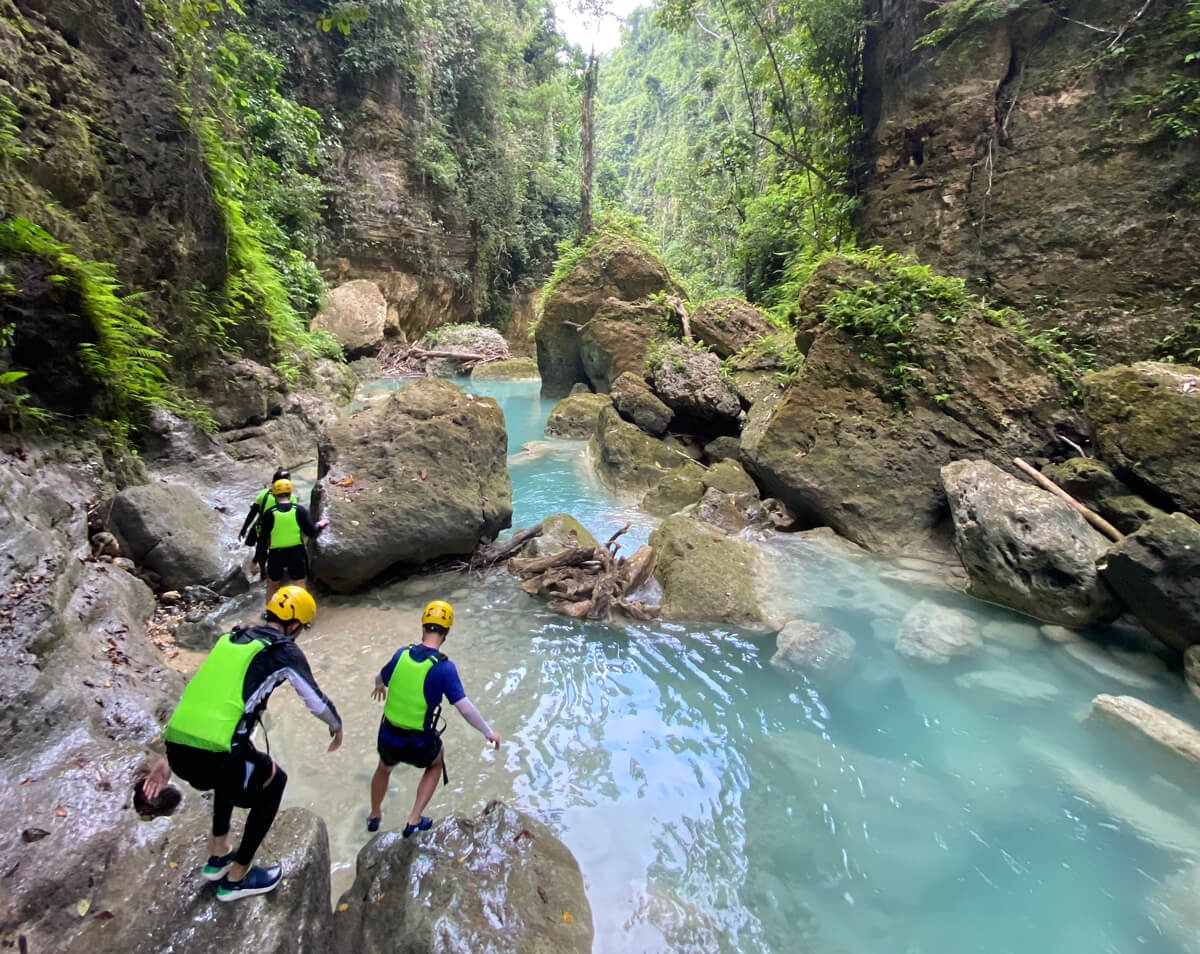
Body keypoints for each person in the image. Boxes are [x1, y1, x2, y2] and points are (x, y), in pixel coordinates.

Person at [141, 586, 343, 901]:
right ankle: (238, 877)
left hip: (179, 749)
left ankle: (218, 853)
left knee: (240, 760)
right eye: (301, 628)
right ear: (295, 625)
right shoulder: (284, 651)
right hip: (213, 758)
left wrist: (167, 756)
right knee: (274, 782)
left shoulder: (232, 639)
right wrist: (336, 725)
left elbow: (204, 696)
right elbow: (316, 702)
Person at [367, 600, 500, 835]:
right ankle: (414, 818)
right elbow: (465, 708)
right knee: (436, 762)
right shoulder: (444, 668)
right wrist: (488, 732)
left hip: (388, 734)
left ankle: (375, 815)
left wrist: (379, 686)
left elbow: (380, 677)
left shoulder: (401, 654)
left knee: (383, 768)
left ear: (423, 626)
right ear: (446, 632)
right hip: (418, 742)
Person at [254, 477, 328, 602]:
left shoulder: (269, 513)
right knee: (299, 584)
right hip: (296, 553)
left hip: (276, 554)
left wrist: (259, 560)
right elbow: (311, 532)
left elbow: (262, 541)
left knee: (272, 585)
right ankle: (302, 611)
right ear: (290, 493)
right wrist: (320, 524)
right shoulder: (299, 510)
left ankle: (271, 611)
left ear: (274, 494)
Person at [238, 469, 288, 564]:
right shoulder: (292, 499)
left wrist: (244, 528)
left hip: (263, 530)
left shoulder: (264, 494)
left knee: (261, 550)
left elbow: (252, 513)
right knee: (270, 552)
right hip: (276, 533)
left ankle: (261, 567)